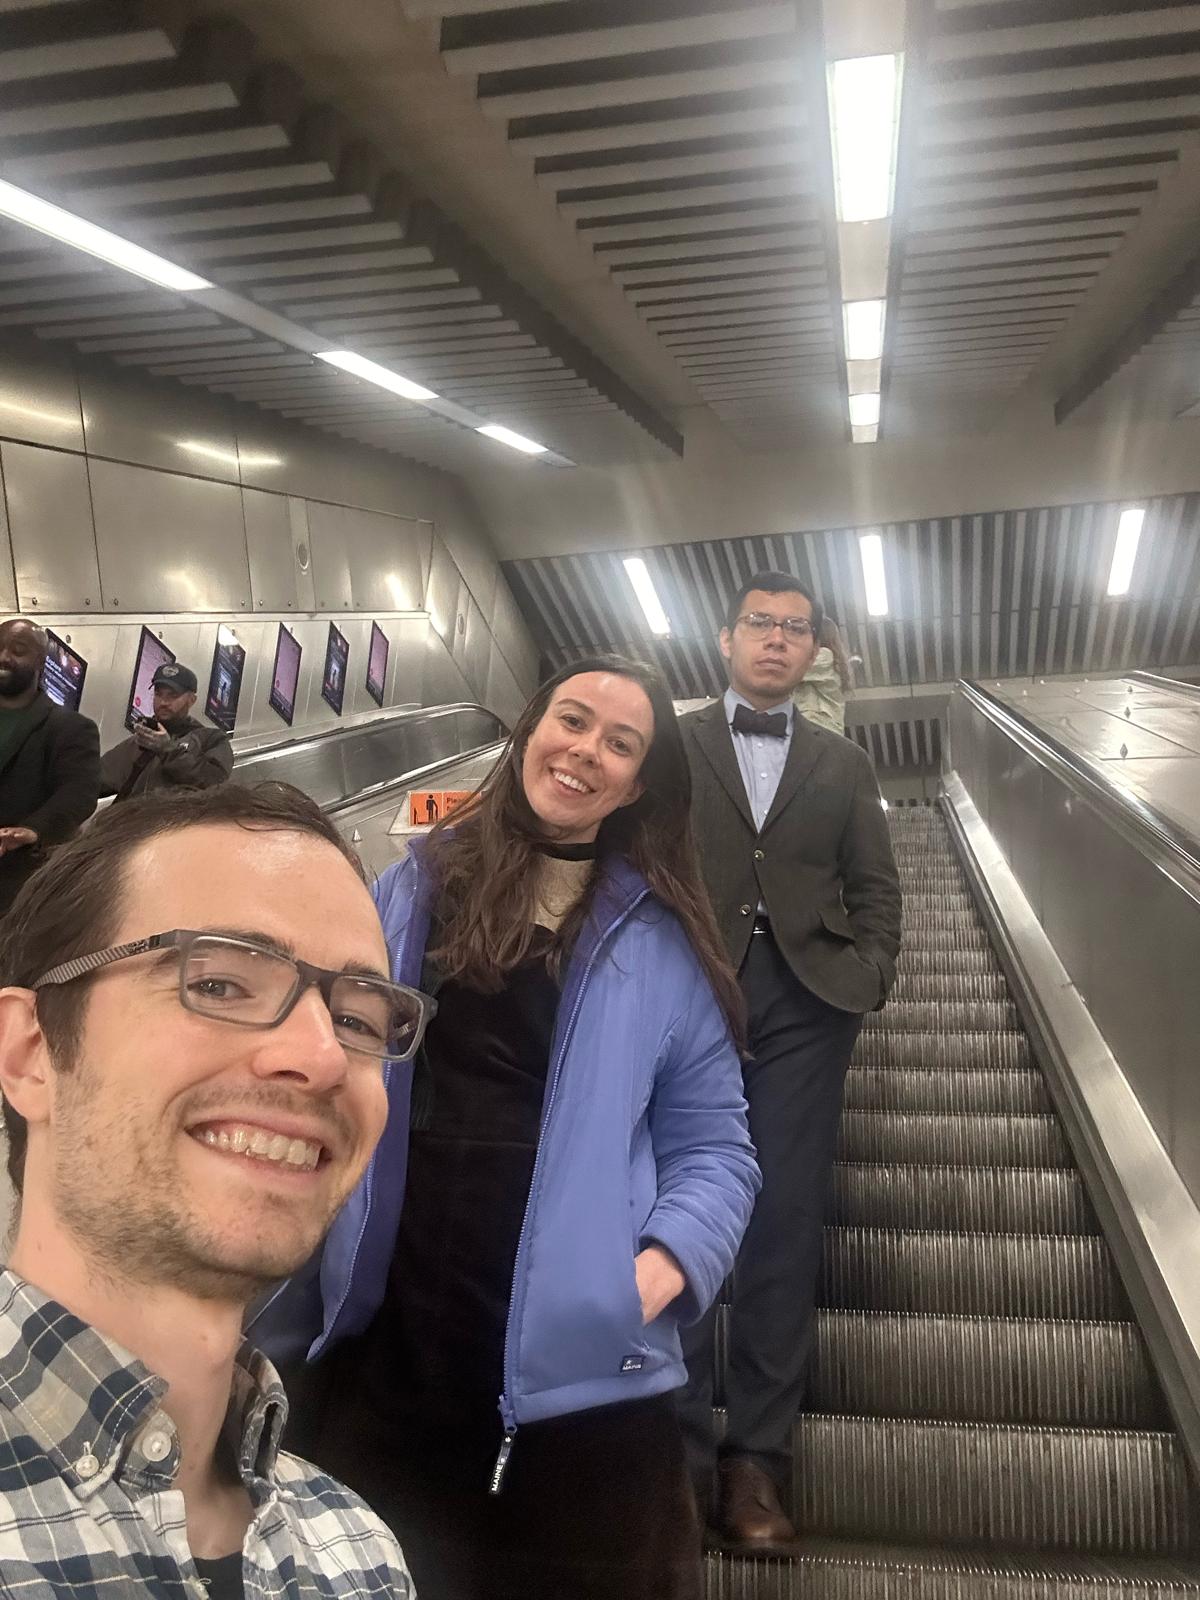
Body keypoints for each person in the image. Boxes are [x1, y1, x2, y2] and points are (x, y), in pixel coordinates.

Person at [253, 655, 760, 1600]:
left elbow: (716, 1145)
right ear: (529, 730)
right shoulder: (409, 889)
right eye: (571, 721)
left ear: (639, 785)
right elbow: (331, 1059)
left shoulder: (660, 941)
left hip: (577, 1370)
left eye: (620, 743)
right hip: (387, 1333)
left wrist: (656, 1271)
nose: (585, 752)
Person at [0, 782, 431, 1598]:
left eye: (360, 1019)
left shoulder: (359, 1555)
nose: (322, 1057)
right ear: (28, 1052)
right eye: (223, 983)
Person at [676, 572, 902, 1550]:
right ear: (726, 639)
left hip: (809, 1006)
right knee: (674, 1209)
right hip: (686, 997)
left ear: (816, 651)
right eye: (760, 624)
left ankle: (756, 1462)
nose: (776, 640)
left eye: (795, 629)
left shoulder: (844, 763)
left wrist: (868, 975)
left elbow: (877, 886)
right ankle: (673, 1453)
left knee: (783, 1215)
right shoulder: (668, 746)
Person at [0, 617, 100, 917]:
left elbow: (79, 792)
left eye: (18, 650)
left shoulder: (70, 728)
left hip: (15, 886)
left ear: (41, 661)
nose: (4, 657)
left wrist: (33, 829)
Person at [100, 661, 233, 802]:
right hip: (129, 821)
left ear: (191, 700)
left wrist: (169, 751)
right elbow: (96, 779)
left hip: (177, 821)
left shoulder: (210, 739)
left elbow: (215, 783)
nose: (163, 702)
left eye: (172, 696)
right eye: (158, 694)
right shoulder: (139, 741)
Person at [792, 615, 854, 735]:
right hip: (822, 728)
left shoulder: (824, 656)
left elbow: (793, 670)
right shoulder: (833, 660)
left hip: (818, 725)